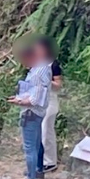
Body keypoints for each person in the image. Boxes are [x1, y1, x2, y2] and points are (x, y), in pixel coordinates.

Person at [8, 44, 53, 179]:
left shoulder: (38, 72)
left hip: (31, 113)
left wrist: (19, 101)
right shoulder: (43, 67)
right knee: (37, 143)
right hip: (38, 112)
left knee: (29, 148)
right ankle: (37, 170)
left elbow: (35, 99)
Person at [37, 37, 63, 172]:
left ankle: (50, 161)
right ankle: (39, 161)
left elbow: (58, 85)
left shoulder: (54, 64)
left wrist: (48, 81)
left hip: (50, 100)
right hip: (37, 101)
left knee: (46, 130)